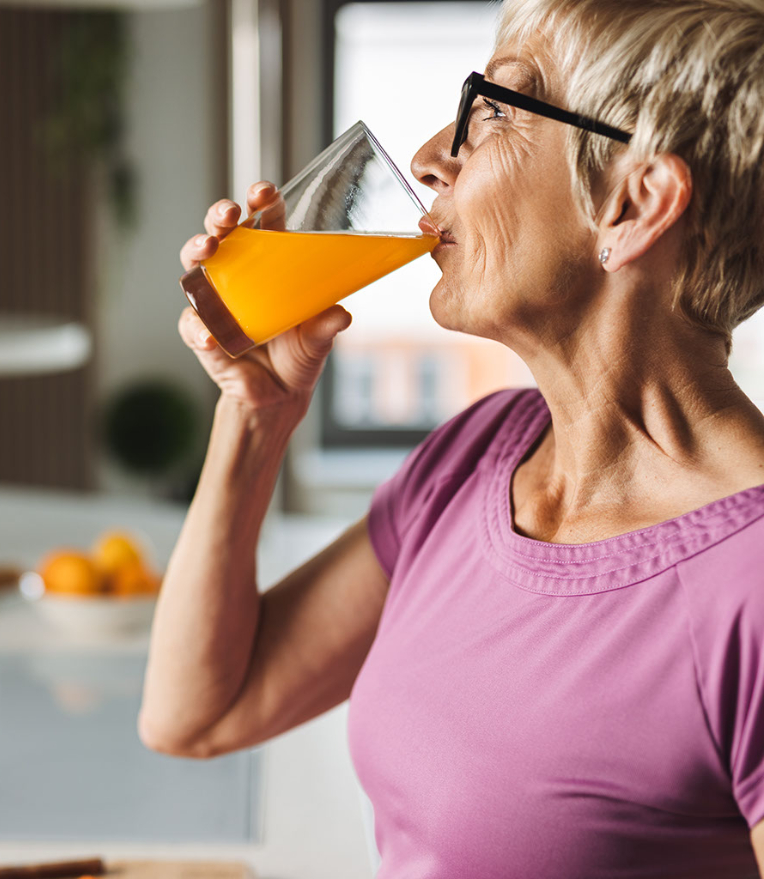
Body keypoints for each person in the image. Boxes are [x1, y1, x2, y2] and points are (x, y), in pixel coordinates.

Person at [138, 0, 764, 874]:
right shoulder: (480, 455)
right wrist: (257, 414)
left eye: (496, 108)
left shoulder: (751, 582)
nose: (432, 158)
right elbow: (196, 713)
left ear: (634, 202)